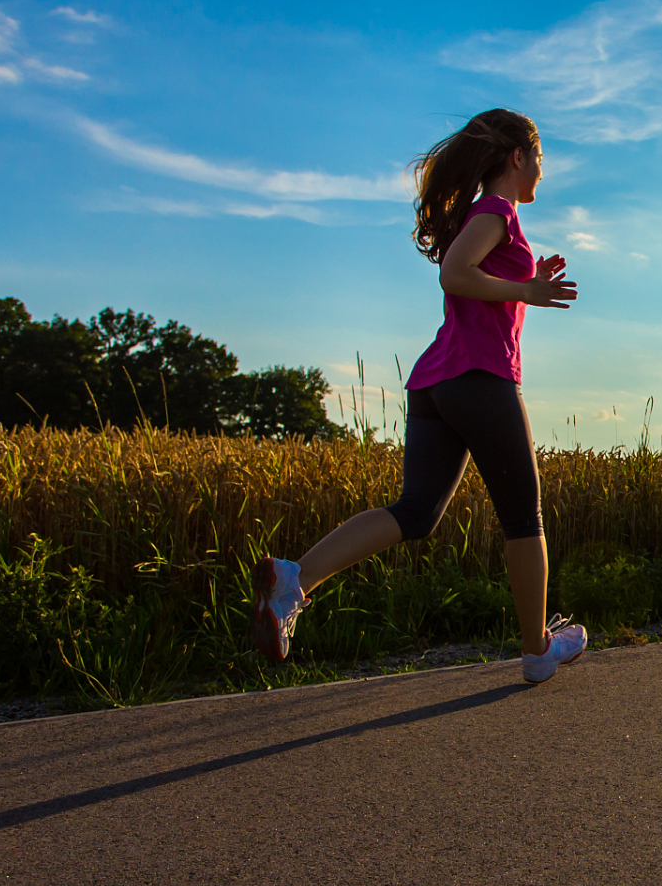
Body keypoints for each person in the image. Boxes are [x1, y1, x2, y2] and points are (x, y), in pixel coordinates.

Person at [249, 108, 588, 684]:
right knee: (523, 516)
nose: (541, 173)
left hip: (436, 381)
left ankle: (292, 579)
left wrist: (524, 282)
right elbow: (454, 274)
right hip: (479, 376)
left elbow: (475, 280)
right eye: (540, 161)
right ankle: (537, 651)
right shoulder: (496, 211)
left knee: (416, 512)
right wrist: (526, 288)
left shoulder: (489, 218)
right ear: (517, 157)